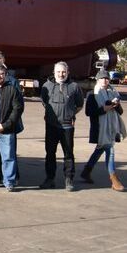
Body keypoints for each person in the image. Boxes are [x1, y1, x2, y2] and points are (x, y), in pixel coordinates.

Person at [39, 61, 84, 191]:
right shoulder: (46, 86)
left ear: (68, 72)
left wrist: (70, 114)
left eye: (63, 71)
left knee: (68, 154)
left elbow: (80, 104)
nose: (61, 74)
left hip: (67, 127)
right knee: (50, 153)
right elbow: (44, 102)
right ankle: (49, 179)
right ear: (54, 72)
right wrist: (50, 114)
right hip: (51, 126)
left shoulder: (74, 86)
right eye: (58, 71)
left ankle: (69, 179)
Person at [80, 70, 124, 192]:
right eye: (102, 78)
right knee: (110, 149)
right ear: (97, 80)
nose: (105, 81)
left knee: (100, 149)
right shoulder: (92, 95)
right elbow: (88, 112)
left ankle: (86, 171)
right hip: (100, 128)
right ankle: (114, 179)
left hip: (111, 127)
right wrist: (103, 109)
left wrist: (116, 105)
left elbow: (120, 112)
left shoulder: (114, 92)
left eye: (106, 78)